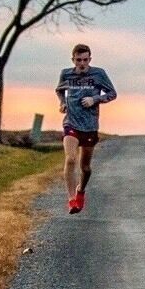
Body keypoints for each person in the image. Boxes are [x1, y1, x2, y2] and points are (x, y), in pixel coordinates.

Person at [56, 43, 116, 214]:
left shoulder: (99, 74)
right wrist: (62, 103)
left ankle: (80, 190)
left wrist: (95, 99)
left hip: (89, 125)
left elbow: (112, 94)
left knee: (85, 168)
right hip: (71, 122)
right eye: (78, 60)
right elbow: (59, 91)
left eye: (85, 60)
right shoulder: (66, 73)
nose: (82, 63)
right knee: (70, 159)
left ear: (90, 59)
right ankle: (71, 200)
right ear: (73, 60)